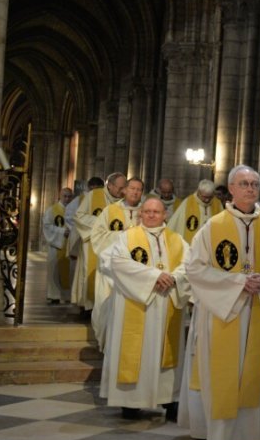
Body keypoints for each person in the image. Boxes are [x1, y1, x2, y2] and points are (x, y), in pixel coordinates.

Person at [181, 165, 260, 440]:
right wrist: (238, 282)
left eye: (255, 183)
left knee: (255, 380)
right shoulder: (213, 227)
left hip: (258, 313)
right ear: (231, 189)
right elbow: (194, 269)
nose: (251, 188)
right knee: (226, 385)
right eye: (244, 183)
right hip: (224, 316)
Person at [97, 198, 189, 419]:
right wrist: (154, 277)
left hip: (167, 302)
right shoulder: (126, 238)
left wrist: (174, 278)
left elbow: (190, 265)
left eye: (156, 212)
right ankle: (131, 401)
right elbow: (114, 262)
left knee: (166, 351)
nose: (151, 215)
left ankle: (170, 400)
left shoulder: (177, 240)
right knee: (136, 351)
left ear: (165, 214)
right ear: (141, 214)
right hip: (136, 303)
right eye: (147, 211)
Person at [91, 178, 145, 350]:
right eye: (132, 188)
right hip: (110, 269)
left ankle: (127, 345)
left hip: (136, 272)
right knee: (106, 305)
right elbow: (97, 236)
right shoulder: (110, 210)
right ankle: (105, 343)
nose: (135, 192)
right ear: (125, 190)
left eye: (139, 189)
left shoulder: (147, 212)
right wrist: (123, 235)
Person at [71, 172, 125, 312]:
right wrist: (101, 223)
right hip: (93, 242)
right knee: (90, 272)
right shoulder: (94, 195)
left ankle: (108, 305)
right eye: (120, 187)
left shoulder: (124, 201)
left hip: (114, 244)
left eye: (124, 187)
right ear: (110, 185)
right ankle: (88, 306)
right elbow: (79, 216)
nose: (122, 190)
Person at [42, 187, 75, 304]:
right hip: (56, 247)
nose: (67, 199)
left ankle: (68, 296)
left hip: (70, 247)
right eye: (64, 196)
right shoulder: (52, 210)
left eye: (69, 196)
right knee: (54, 272)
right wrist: (61, 232)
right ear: (59, 196)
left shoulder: (75, 211)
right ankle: (54, 295)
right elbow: (46, 226)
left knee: (71, 272)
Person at [167, 179, 218, 246]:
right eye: (204, 197)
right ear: (198, 192)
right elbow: (174, 223)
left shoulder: (217, 204)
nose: (207, 200)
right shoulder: (188, 202)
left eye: (210, 197)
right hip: (192, 245)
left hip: (210, 244)